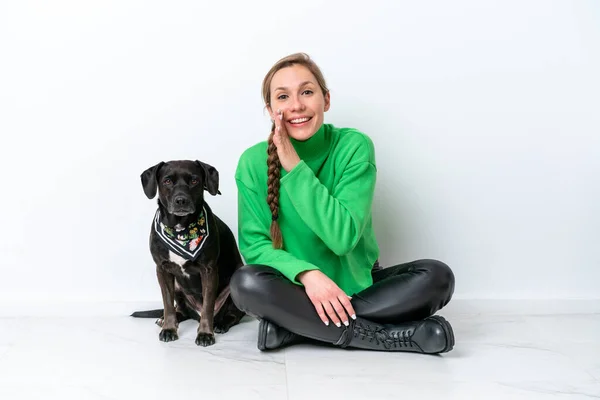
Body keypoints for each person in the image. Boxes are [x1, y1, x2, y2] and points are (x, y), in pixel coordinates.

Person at [229, 53, 455, 353]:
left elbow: (342, 238)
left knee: (437, 277)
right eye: (283, 97)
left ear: (326, 100)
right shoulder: (251, 162)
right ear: (271, 110)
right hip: (295, 290)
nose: (296, 105)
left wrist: (295, 168)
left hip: (360, 285)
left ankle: (298, 328)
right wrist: (308, 274)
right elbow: (256, 247)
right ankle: (388, 338)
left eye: (307, 92)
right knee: (246, 283)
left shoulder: (354, 146)